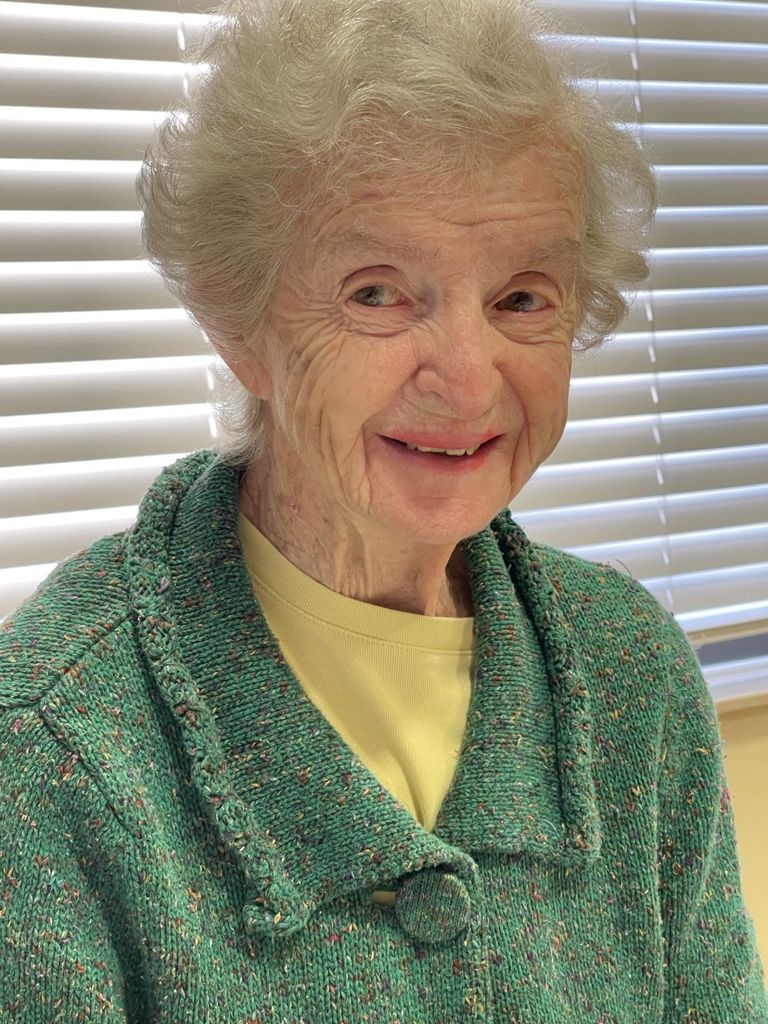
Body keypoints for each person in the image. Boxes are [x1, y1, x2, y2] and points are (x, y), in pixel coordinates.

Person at [1, 0, 766, 1019]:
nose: (468, 379)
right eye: (377, 293)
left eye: (522, 298)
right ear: (237, 318)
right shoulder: (54, 743)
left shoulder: (632, 671)